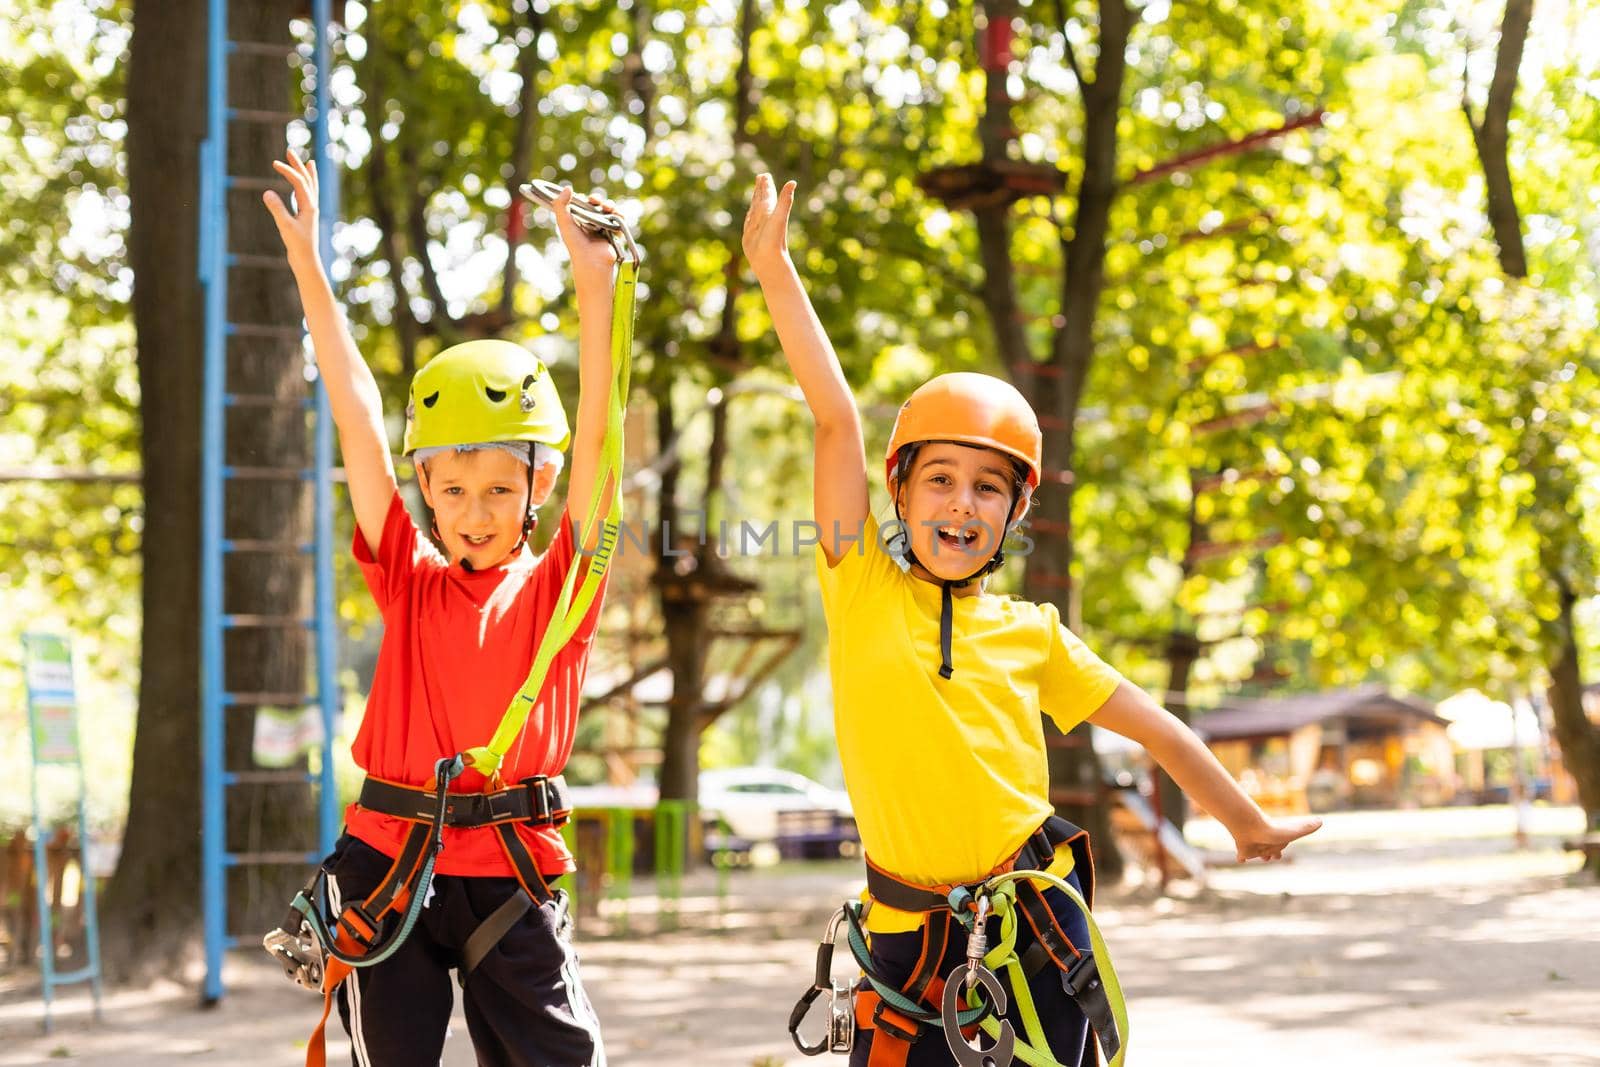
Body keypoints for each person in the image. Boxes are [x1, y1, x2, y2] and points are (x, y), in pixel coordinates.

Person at [742, 172, 1321, 1067]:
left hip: (1030, 937)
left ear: (1014, 515)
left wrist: (1245, 819)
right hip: (904, 944)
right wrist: (774, 268)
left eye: (988, 487)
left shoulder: (1033, 632)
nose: (961, 502)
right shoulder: (858, 585)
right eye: (939, 478)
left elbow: (1156, 726)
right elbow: (833, 419)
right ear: (899, 487)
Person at [262, 148, 621, 1067]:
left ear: (537, 486)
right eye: (453, 490)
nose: (474, 512)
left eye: (501, 489)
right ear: (424, 488)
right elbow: (357, 416)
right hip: (391, 868)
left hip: (510, 870)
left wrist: (597, 290)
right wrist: (311, 271)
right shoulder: (408, 577)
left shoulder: (558, 593)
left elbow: (598, 449)